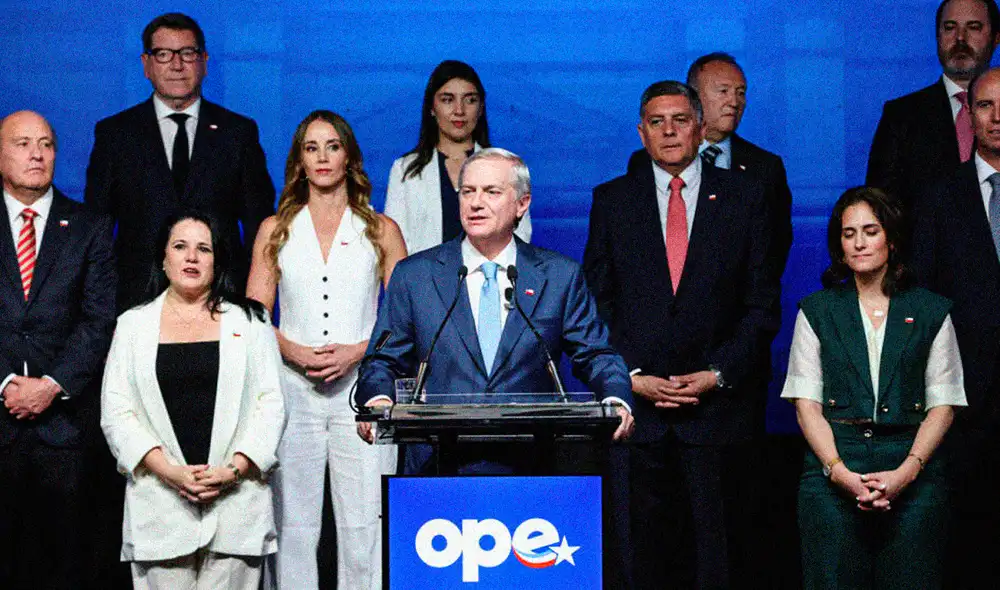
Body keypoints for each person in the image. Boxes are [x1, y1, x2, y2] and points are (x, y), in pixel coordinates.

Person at [583, 81, 780, 590]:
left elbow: (761, 305)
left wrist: (717, 373)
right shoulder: (612, 200)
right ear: (641, 133)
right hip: (638, 418)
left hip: (717, 416)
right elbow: (597, 304)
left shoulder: (745, 196)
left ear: (700, 127)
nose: (669, 131)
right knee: (641, 564)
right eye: (657, 122)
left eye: (680, 120)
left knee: (720, 564)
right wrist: (629, 376)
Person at [356, 147, 634, 473]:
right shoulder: (415, 276)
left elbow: (596, 354)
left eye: (491, 192)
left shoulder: (559, 276)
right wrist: (377, 399)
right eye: (468, 191)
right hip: (438, 467)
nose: (476, 202)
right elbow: (382, 359)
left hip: (530, 467)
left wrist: (616, 398)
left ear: (522, 204)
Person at [246, 110, 406, 590]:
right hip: (291, 392)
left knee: (364, 524)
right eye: (311, 147)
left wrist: (358, 351)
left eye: (332, 146)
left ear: (348, 156)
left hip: (364, 391)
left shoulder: (380, 228)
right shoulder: (275, 228)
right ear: (299, 159)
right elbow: (253, 317)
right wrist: (292, 350)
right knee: (293, 525)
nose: (322, 157)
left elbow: (404, 317)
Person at [783, 187, 965, 589]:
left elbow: (944, 404)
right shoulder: (817, 310)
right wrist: (840, 473)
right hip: (834, 470)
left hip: (913, 470)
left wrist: (906, 473)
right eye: (849, 234)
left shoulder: (931, 310)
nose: (859, 243)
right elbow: (806, 406)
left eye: (870, 231)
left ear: (892, 239)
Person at [101, 210, 284, 590]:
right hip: (160, 507)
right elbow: (117, 412)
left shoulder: (251, 322)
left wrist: (233, 470)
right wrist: (170, 471)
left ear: (217, 261)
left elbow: (272, 404)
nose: (191, 257)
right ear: (163, 258)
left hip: (236, 506)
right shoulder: (133, 325)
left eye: (204, 248)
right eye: (180, 246)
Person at [86, 12, 275, 312]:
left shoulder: (238, 133)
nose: (176, 65)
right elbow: (97, 230)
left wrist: (251, 305)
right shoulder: (115, 134)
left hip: (222, 304)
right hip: (136, 305)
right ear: (146, 64)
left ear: (204, 61)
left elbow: (259, 227)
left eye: (187, 53)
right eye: (163, 54)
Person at [0, 110, 116, 589]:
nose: (37, 154)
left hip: (66, 429)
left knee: (67, 568)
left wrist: (50, 385)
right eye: (23, 143)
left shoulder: (90, 226)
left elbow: (99, 319)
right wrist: (6, 382)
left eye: (46, 144)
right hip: (1, 421)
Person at [911, 65, 1000, 586]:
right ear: (970, 115)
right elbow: (923, 298)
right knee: (966, 544)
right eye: (985, 105)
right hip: (966, 401)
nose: (997, 117)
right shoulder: (939, 196)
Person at [384, 60, 531, 255]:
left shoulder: (505, 167)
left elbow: (521, 236)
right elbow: (394, 243)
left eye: (470, 100)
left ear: (481, 107)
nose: (459, 111)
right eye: (447, 100)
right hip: (424, 274)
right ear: (431, 107)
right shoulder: (405, 170)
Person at [867, 0, 1000, 209]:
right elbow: (880, 209)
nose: (960, 38)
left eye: (973, 27)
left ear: (996, 37)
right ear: (937, 36)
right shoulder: (900, 117)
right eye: (950, 27)